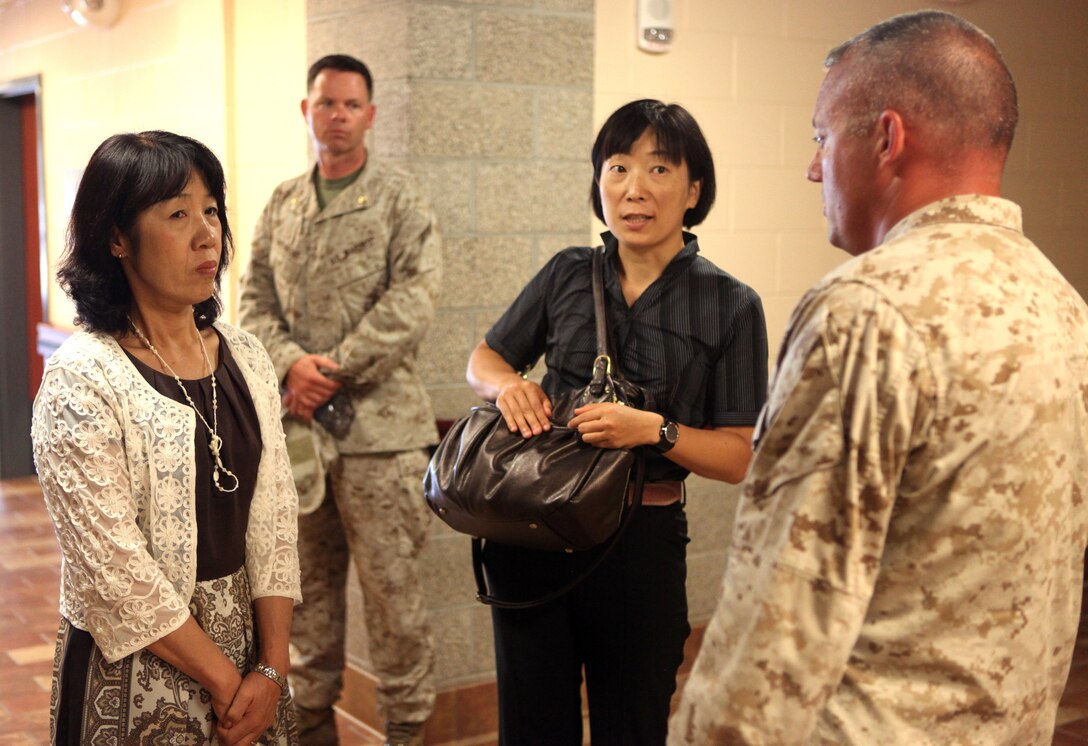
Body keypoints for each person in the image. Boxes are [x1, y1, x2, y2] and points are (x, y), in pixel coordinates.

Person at [669, 10, 1088, 746]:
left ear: (887, 139)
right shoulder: (1062, 304)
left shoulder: (865, 311)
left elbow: (775, 628)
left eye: (822, 138)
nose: (811, 167)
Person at [466, 99, 768, 746]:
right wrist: (509, 385)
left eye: (659, 170)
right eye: (618, 167)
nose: (634, 189)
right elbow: (485, 357)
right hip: (534, 528)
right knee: (532, 728)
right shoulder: (569, 272)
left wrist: (653, 431)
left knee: (632, 724)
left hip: (642, 543)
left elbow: (741, 457)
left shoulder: (731, 304)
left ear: (694, 190)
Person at [31, 130, 302, 745]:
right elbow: (113, 567)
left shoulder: (247, 356)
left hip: (251, 656)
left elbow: (276, 517)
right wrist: (231, 685)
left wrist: (271, 666)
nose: (207, 233)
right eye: (178, 214)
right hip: (136, 666)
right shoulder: (83, 379)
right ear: (117, 237)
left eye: (211, 210)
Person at [238, 54, 440, 746]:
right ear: (307, 111)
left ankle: (407, 731)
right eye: (326, 103)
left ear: (371, 115)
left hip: (382, 440)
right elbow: (253, 301)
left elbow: (414, 298)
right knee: (305, 602)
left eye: (352, 105)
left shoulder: (400, 199)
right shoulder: (283, 202)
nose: (339, 116)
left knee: (395, 606)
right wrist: (293, 366)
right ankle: (312, 728)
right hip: (299, 441)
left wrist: (336, 368)